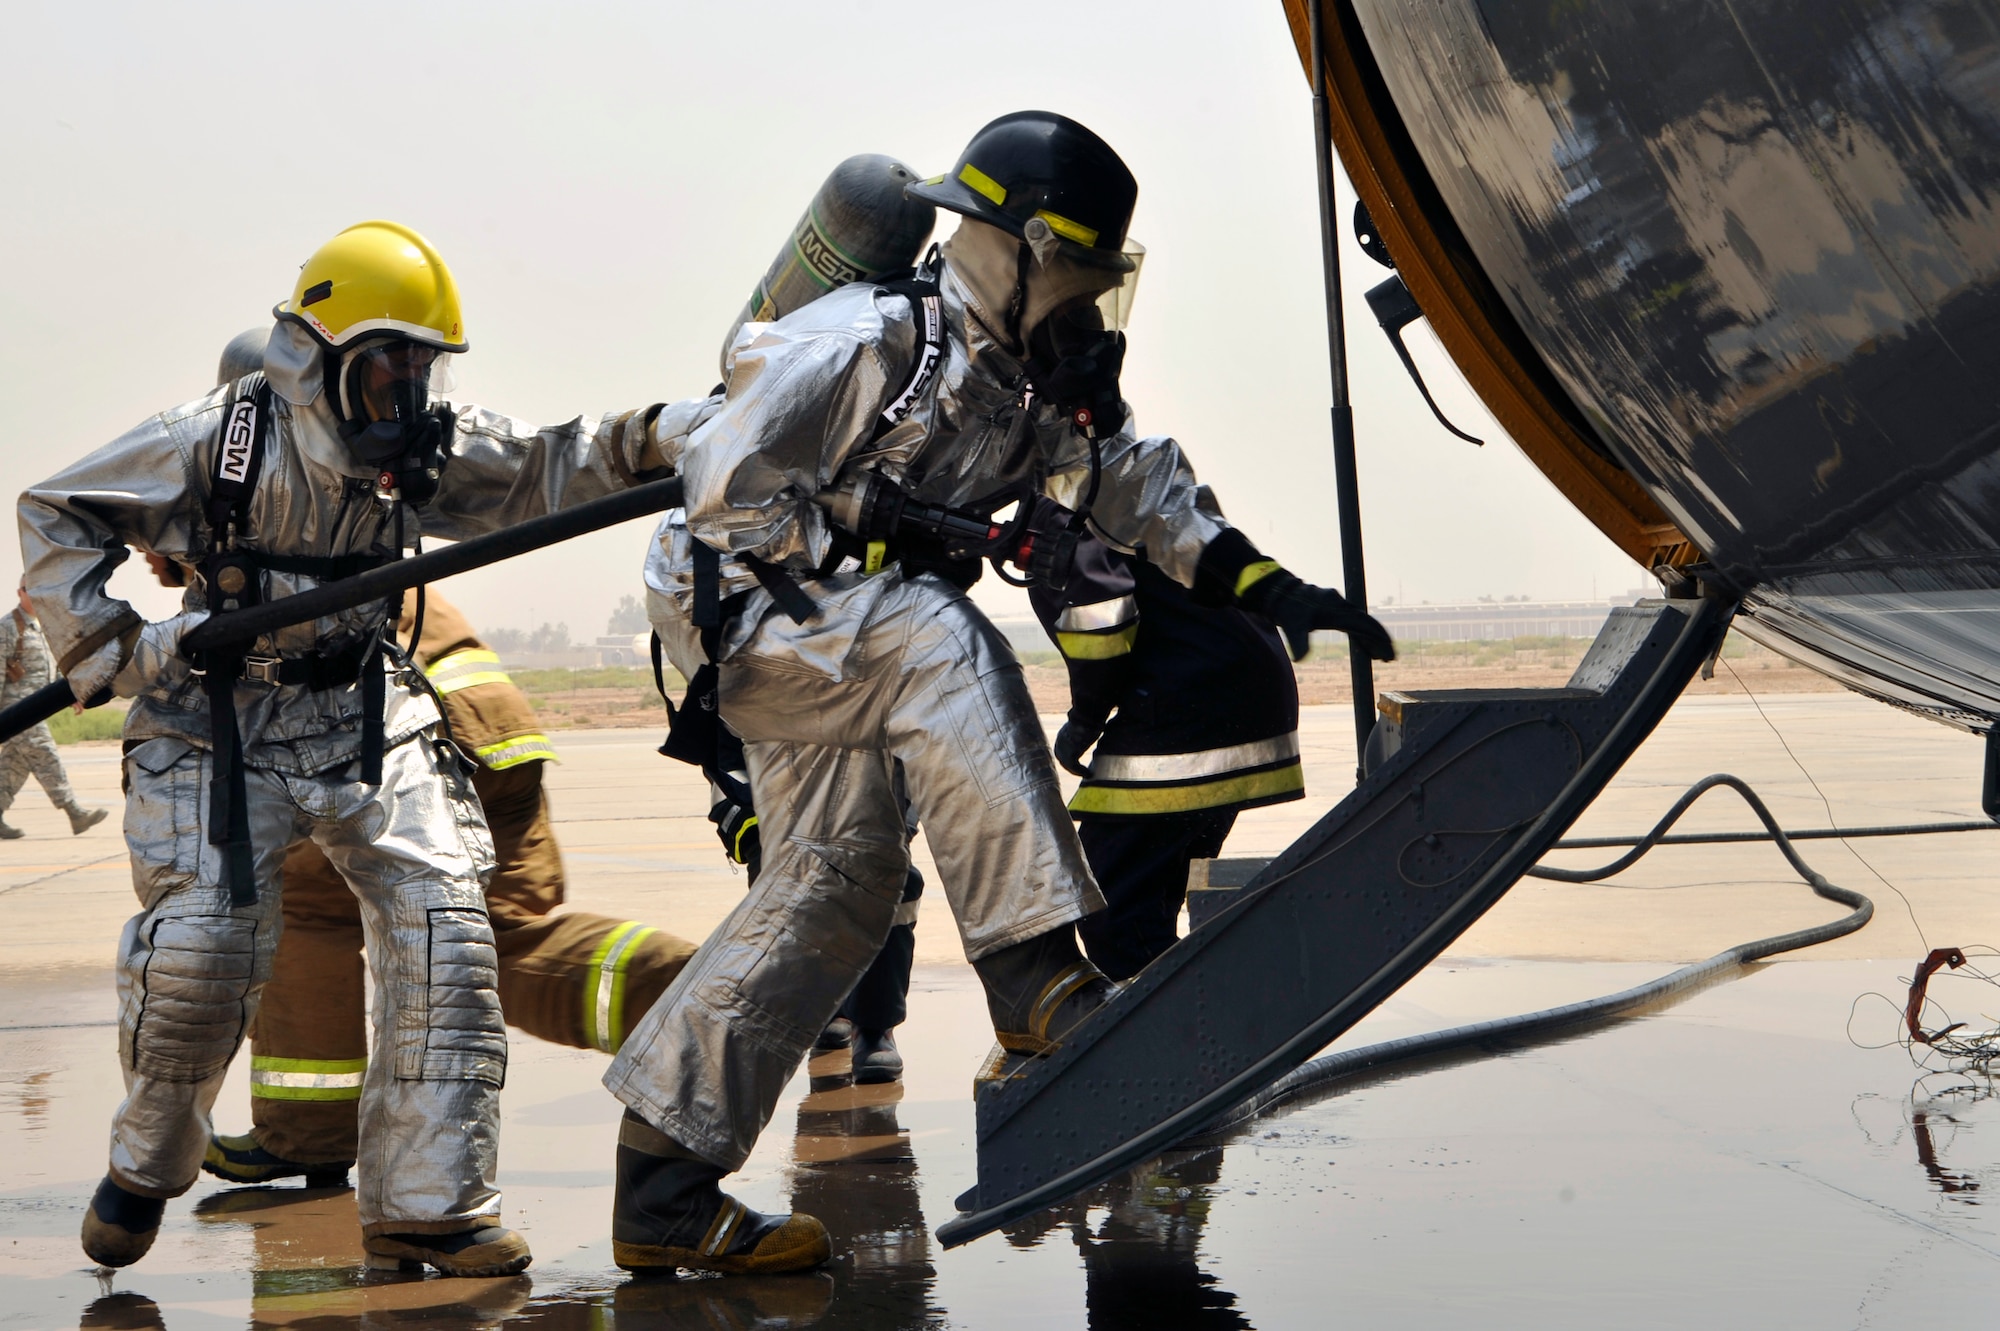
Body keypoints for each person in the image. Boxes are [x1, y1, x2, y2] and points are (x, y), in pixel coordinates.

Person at [608, 111, 1392, 1278]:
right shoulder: (867, 338)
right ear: (1011, 246)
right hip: (756, 610)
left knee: (832, 889)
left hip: (843, 638)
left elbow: (1133, 487)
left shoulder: (1022, 384)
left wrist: (1268, 586)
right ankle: (1034, 978)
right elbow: (723, 487)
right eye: (1070, 273)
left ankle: (660, 1181)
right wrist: (857, 521)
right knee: (943, 640)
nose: (1082, 304)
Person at [20, 220, 679, 1275]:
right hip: (212, 722)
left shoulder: (418, 453)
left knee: (445, 933)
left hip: (367, 716)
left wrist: (672, 433)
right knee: (201, 953)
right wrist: (134, 649)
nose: (407, 393)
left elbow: (555, 463)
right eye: (389, 368)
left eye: (423, 368)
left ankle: (433, 1204)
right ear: (318, 358)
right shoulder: (204, 443)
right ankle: (145, 1163)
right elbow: (55, 515)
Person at [204, 586, 698, 1189]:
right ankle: (718, 1000)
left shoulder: (248, 541)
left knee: (301, 909)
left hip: (401, 741)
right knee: (500, 937)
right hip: (495, 735)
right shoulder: (357, 517)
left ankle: (308, 1133)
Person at [1029, 515, 1303, 981]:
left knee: (1108, 903)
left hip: (1193, 708)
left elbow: (1102, 630)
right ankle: (1197, 1014)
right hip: (1226, 697)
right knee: (1147, 897)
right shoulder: (1132, 494)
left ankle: (1176, 1032)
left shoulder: (1067, 520)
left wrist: (1083, 722)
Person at [0, 583, 109, 839]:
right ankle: (75, 812)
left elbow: (55, 670)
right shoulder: (7, 627)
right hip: (16, 710)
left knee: (14, 766)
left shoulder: (42, 628)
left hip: (35, 709)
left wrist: (72, 696)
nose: (34, 595)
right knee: (47, 756)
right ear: (19, 593)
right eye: (28, 589)